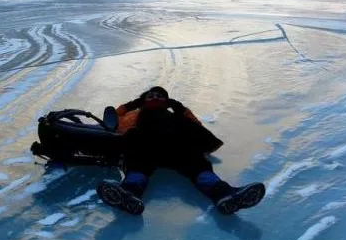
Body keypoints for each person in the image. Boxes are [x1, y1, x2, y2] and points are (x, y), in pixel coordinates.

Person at [97, 86, 265, 215]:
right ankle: (129, 193)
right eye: (151, 95)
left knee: (196, 162)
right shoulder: (135, 115)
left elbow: (196, 125)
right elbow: (115, 120)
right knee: (137, 156)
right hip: (147, 147)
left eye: (160, 95)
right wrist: (133, 104)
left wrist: (177, 106)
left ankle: (224, 195)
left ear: (167, 101)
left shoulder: (176, 116)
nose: (155, 97)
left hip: (176, 149)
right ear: (143, 100)